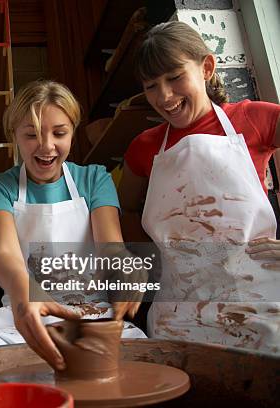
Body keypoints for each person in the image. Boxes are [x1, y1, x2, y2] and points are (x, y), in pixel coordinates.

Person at [0, 80, 146, 371]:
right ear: (15, 136)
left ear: (72, 131)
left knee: (140, 359)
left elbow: (112, 249)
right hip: (23, 308)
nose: (46, 146)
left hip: (88, 312)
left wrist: (129, 266)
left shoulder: (95, 179)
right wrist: (24, 298)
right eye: (31, 135)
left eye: (59, 133)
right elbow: (5, 254)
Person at [119, 21, 280, 354]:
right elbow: (126, 208)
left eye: (175, 77)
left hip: (259, 301)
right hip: (180, 311)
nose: (164, 96)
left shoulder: (252, 119)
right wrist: (145, 263)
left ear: (206, 67)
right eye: (151, 86)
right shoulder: (143, 147)